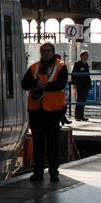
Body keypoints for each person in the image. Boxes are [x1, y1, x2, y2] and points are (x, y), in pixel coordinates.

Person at [22, 42, 69, 182]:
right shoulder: (34, 67)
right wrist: (37, 83)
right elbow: (24, 84)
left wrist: (43, 85)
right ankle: (38, 172)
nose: (46, 53)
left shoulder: (61, 66)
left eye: (48, 51)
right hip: (36, 110)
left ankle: (54, 171)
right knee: (38, 142)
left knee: (53, 142)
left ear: (53, 52)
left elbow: (61, 84)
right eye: (43, 51)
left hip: (53, 110)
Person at [72, 50, 92, 121]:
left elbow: (88, 75)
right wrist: (74, 83)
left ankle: (81, 115)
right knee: (79, 100)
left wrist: (89, 85)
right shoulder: (77, 64)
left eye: (87, 56)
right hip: (79, 84)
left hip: (85, 85)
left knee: (83, 100)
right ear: (81, 56)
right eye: (85, 55)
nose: (87, 57)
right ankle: (77, 115)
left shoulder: (86, 65)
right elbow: (74, 74)